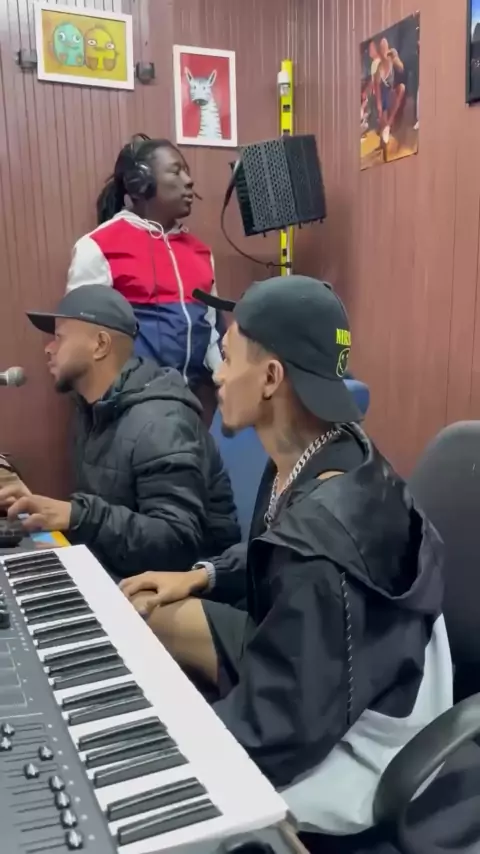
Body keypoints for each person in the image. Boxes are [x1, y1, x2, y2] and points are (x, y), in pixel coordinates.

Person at [121, 275, 453, 839]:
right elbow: (272, 549)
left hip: (361, 744)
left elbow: (273, 735)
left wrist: (146, 752)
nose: (217, 374)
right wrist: (203, 575)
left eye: (228, 358)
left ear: (272, 378)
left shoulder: (318, 548)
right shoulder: (328, 451)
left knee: (177, 815)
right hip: (325, 666)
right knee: (152, 611)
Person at [0, 285, 240, 580]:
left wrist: (77, 516)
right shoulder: (92, 410)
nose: (48, 348)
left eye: (59, 337)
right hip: (122, 571)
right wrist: (44, 513)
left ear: (100, 345)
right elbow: (106, 521)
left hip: (183, 587)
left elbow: (178, 544)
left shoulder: (161, 422)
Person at [66, 134, 222, 426]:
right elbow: (79, 343)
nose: (189, 181)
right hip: (126, 416)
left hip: (190, 410)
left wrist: (227, 381)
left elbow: (210, 329)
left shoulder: (201, 252)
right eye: (176, 171)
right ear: (141, 184)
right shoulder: (98, 247)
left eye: (187, 171)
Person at [376, 38, 406, 145]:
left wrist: (395, 58)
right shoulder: (379, 68)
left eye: (385, 47)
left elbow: (401, 68)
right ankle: (384, 128)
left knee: (402, 88)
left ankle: (388, 124)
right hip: (384, 99)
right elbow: (377, 91)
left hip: (392, 93)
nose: (384, 50)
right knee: (383, 133)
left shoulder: (392, 55)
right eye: (381, 48)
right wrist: (379, 108)